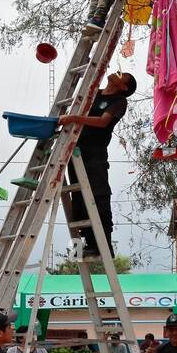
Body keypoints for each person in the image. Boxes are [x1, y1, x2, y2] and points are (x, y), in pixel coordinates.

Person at [57, 70, 137, 260]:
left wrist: (73, 119)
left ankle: (103, 246)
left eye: (122, 75)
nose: (118, 72)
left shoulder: (118, 102)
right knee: (78, 197)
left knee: (98, 196)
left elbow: (102, 122)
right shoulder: (95, 93)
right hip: (76, 151)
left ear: (123, 87)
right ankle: (86, 244)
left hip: (95, 154)